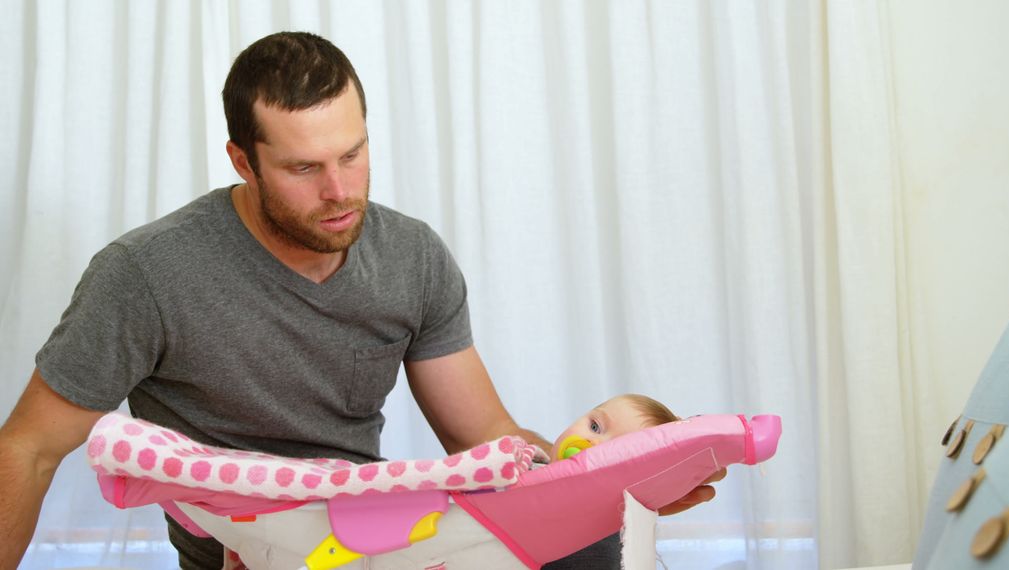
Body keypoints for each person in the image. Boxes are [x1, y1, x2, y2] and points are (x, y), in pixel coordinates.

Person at [0, 31, 723, 569]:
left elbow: (487, 440)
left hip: (378, 538)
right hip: (245, 549)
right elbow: (27, 450)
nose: (341, 191)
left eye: (353, 153)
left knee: (598, 548)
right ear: (243, 162)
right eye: (304, 168)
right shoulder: (146, 274)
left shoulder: (410, 256)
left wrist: (617, 477)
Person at [548, 393, 679, 461]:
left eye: (612, 452)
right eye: (594, 427)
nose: (594, 443)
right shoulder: (529, 458)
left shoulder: (599, 510)